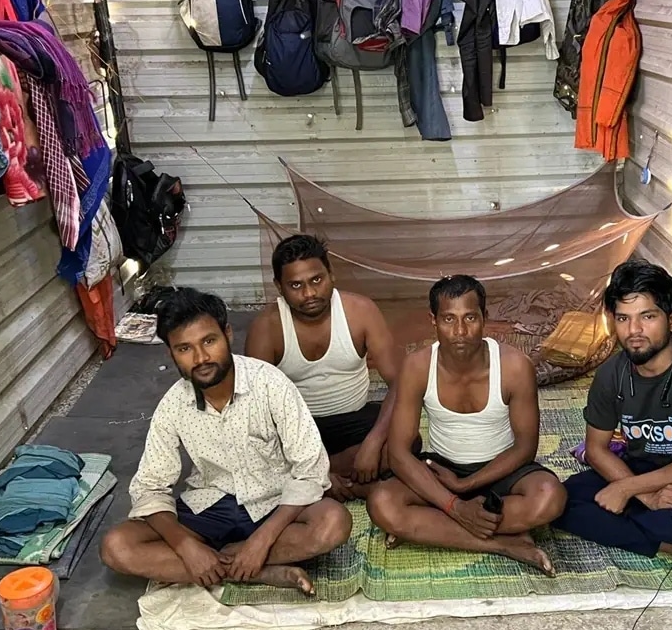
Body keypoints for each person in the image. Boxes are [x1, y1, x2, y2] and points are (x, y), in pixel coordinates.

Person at [100, 288, 352, 594]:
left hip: (274, 505)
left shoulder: (270, 383)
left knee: (332, 522)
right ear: (171, 353)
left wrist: (261, 541)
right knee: (117, 546)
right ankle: (255, 572)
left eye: (209, 341)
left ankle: (234, 561)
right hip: (209, 509)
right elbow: (150, 486)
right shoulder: (173, 405)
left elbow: (311, 469)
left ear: (228, 335)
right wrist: (186, 545)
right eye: (184, 349)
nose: (201, 358)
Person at [366, 275, 566, 575]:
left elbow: (526, 447)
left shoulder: (514, 366)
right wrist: (454, 505)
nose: (460, 331)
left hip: (502, 468)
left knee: (550, 497)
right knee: (381, 503)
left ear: (485, 318)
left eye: (470, 318)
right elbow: (398, 452)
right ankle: (503, 543)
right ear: (433, 320)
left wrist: (465, 487)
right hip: (441, 470)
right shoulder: (418, 366)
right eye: (448, 319)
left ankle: (431, 528)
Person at [552, 260, 672, 580]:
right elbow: (597, 448)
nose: (634, 331)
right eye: (623, 318)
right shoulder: (610, 374)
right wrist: (643, 493)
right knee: (558, 501)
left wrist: (626, 489)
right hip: (637, 468)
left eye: (647, 316)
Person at [245, 234, 404, 502]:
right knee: (252, 455)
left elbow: (399, 383)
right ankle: (331, 479)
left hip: (355, 419)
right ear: (279, 287)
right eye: (296, 285)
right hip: (297, 432)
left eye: (316, 280)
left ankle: (310, 481)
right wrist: (308, 464)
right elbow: (255, 411)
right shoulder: (267, 328)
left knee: (406, 442)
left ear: (331, 274)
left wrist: (373, 444)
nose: (309, 294)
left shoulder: (360, 311)